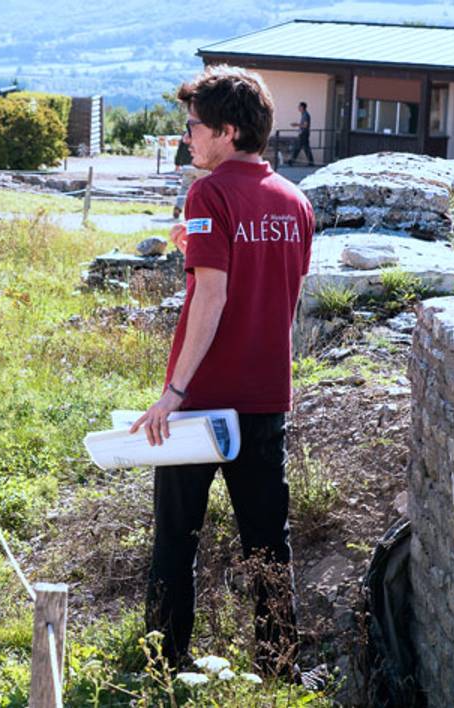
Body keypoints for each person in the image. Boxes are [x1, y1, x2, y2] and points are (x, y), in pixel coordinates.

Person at [130, 65, 313, 678]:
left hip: (204, 400)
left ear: (227, 131)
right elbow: (269, 283)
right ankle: (281, 669)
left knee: (175, 539)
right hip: (267, 397)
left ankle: (163, 664)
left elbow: (212, 298)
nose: (187, 137)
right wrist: (198, 246)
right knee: (267, 541)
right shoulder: (295, 201)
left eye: (194, 127)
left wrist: (173, 392)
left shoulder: (209, 192)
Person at [286, 101, 313, 166]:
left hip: (304, 133)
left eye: (299, 106)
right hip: (303, 133)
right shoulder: (304, 114)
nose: (298, 108)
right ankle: (311, 162)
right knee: (304, 148)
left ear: (302, 107)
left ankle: (292, 161)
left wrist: (296, 124)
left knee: (298, 147)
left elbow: (305, 125)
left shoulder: (306, 115)